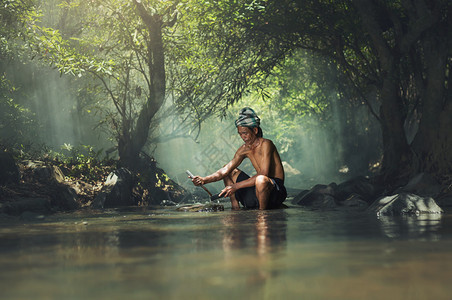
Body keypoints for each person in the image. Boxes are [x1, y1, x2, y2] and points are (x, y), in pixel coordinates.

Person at [191, 107, 287, 210]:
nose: (243, 137)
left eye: (245, 133)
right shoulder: (244, 149)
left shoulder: (266, 144)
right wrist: (204, 180)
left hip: (275, 191)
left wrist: (235, 186)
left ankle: (262, 214)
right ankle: (235, 207)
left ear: (255, 130)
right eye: (240, 134)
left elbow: (264, 173)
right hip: (258, 188)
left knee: (260, 179)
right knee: (229, 171)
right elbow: (225, 170)